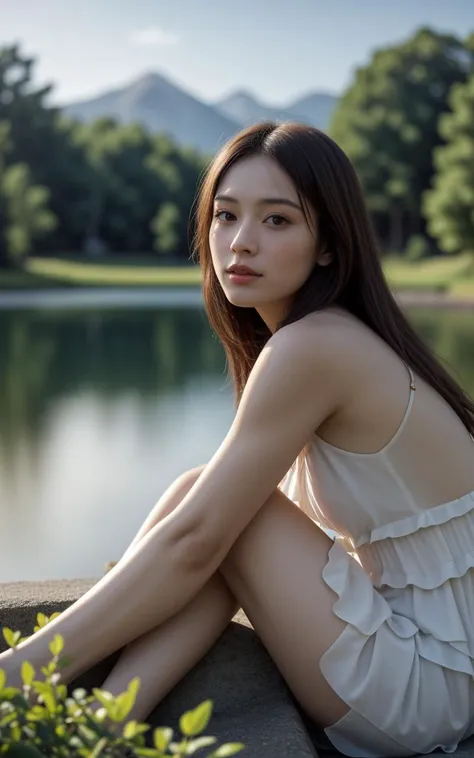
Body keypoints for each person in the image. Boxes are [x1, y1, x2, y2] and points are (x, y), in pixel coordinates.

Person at [1, 121, 474, 757]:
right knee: (211, 500)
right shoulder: (326, 338)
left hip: (430, 687)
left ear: (329, 244)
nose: (240, 243)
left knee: (216, 511)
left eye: (277, 221)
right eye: (226, 216)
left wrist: (20, 670)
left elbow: (198, 542)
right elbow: (212, 547)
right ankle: (102, 729)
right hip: (424, 659)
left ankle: (25, 690)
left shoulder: (316, 348)